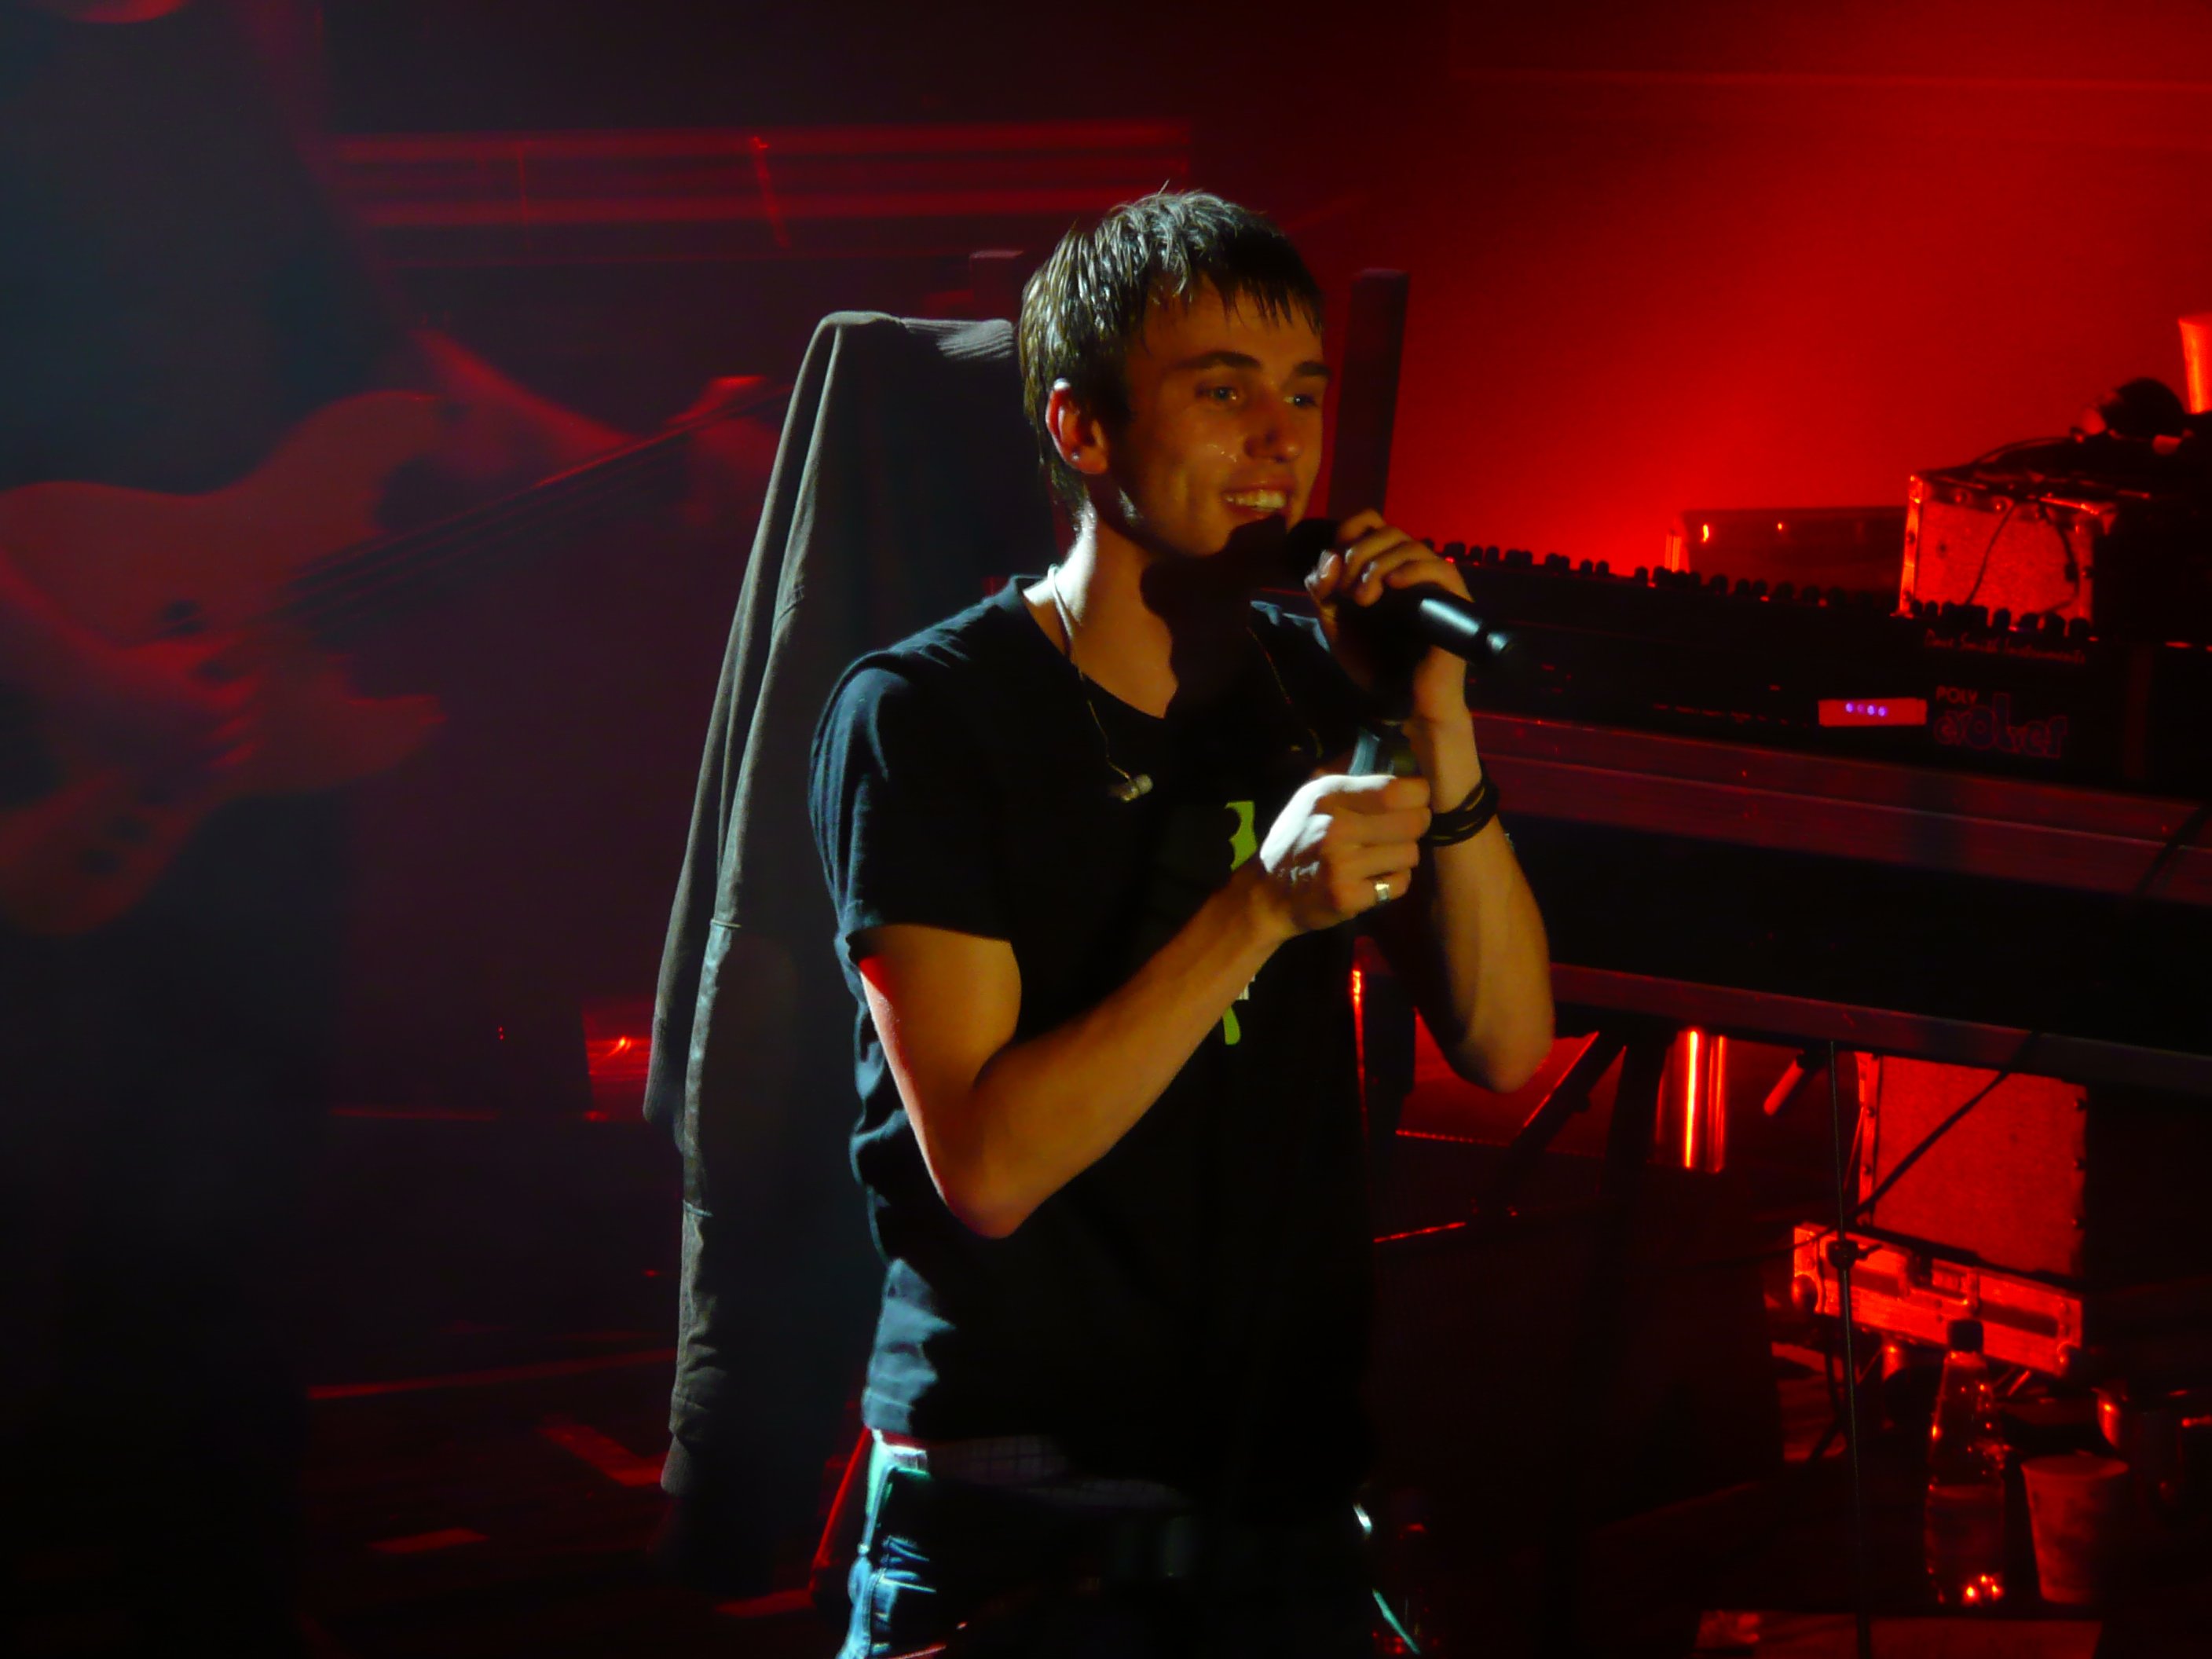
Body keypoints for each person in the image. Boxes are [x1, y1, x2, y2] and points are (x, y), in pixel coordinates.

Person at [0, 4, 767, 1650]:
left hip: (237, 786)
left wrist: (663, 467)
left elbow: (404, 380)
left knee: (223, 1257)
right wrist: (86, 678)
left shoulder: (250, 43)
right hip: (46, 741)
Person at [808, 190, 1554, 1656]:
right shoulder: (930, 714)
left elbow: (1506, 1042)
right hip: (1025, 1517)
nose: (1279, 442)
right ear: (1081, 428)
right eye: (1223, 394)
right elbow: (990, 1168)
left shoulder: (1311, 687)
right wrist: (1260, 908)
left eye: (1303, 395)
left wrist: (1434, 717)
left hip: (1282, 1506)